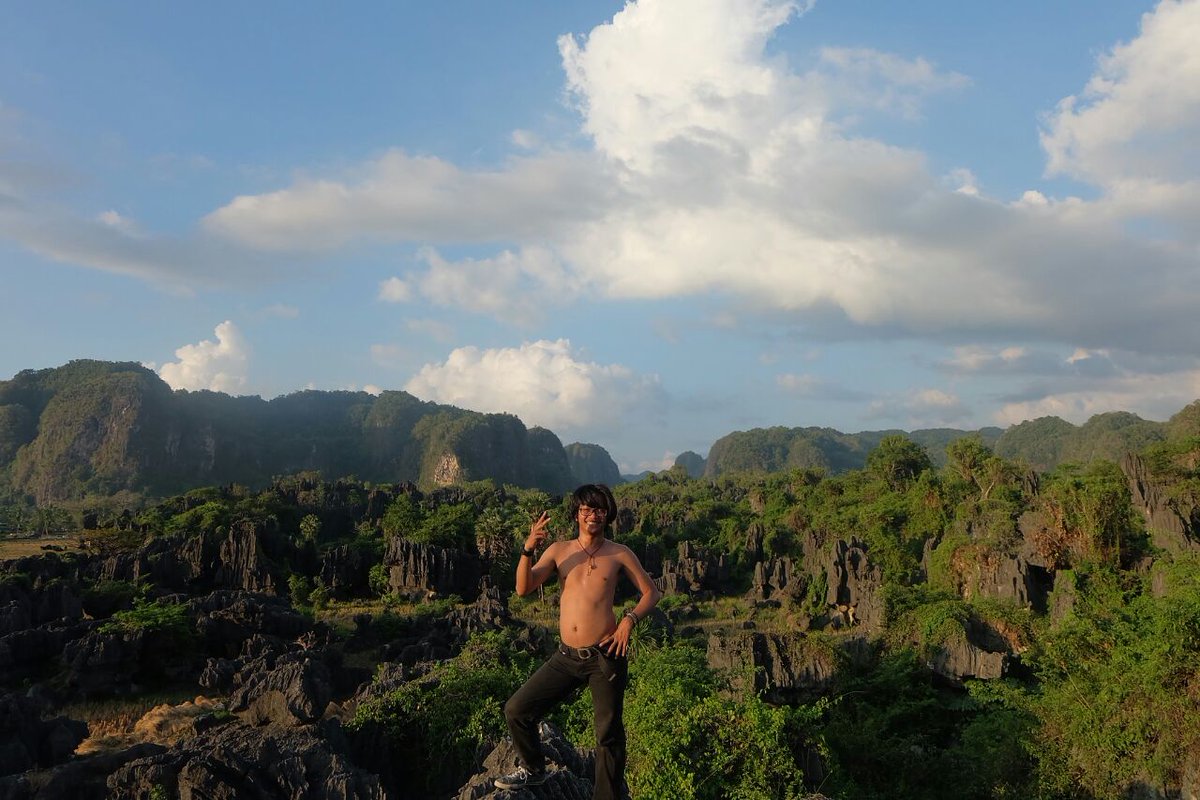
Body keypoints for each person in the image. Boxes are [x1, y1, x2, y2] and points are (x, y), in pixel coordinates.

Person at [496, 484, 661, 799]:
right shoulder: (559, 550)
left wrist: (629, 620)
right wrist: (527, 549)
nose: (593, 515)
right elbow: (523, 588)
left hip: (605, 656)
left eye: (599, 509)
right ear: (576, 515)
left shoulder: (619, 552)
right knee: (517, 709)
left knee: (608, 734)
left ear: (607, 515)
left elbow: (652, 592)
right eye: (586, 509)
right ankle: (533, 771)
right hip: (566, 657)